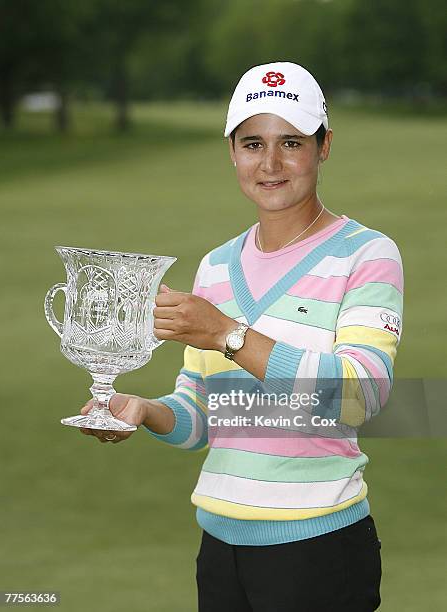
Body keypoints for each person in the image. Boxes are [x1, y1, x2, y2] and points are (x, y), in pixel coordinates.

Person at [80, 61, 404, 611]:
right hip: (220, 548)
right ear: (232, 151)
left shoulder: (367, 254)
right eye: (253, 143)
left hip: (318, 548)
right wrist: (144, 409)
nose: (271, 163)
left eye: (292, 142)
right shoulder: (216, 267)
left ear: (324, 146)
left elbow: (361, 396)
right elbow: (204, 419)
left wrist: (229, 333)